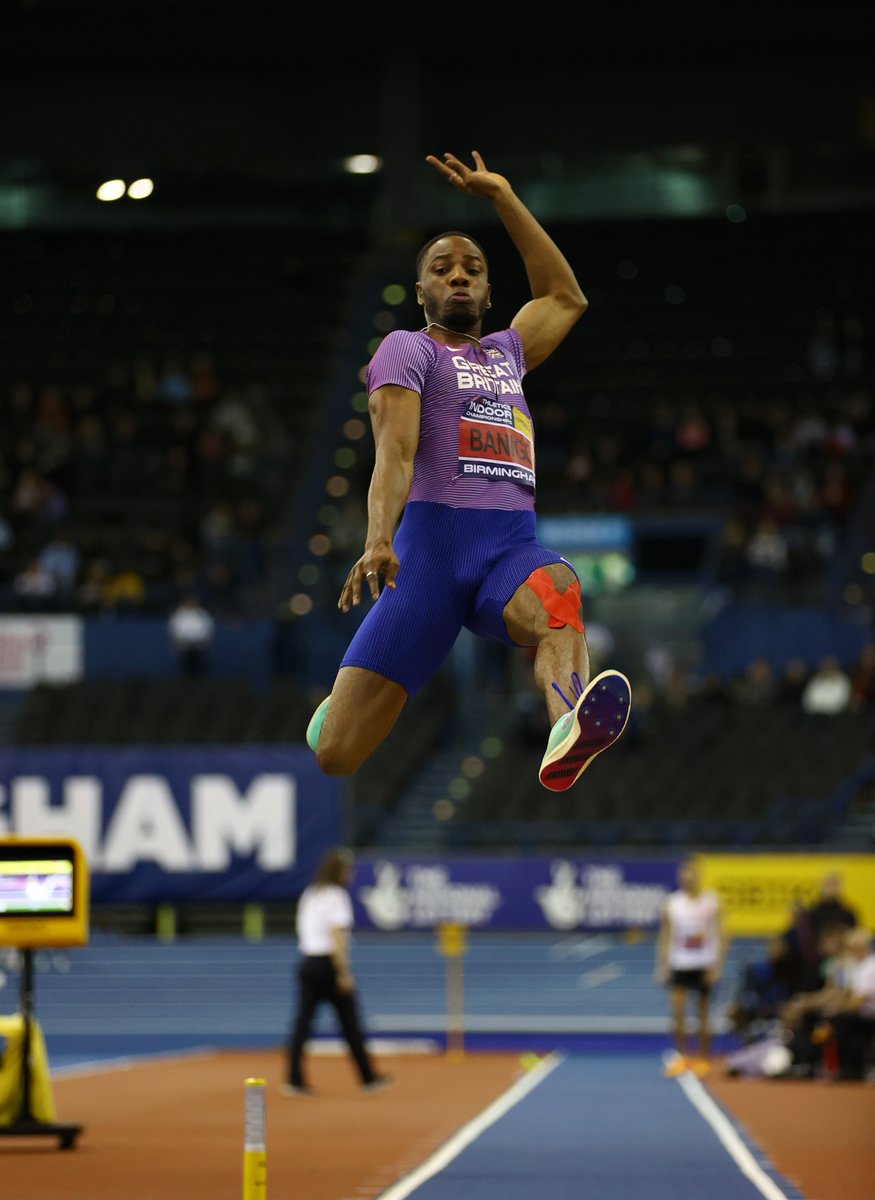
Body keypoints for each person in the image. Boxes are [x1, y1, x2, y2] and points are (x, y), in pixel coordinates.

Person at [307, 150, 631, 792]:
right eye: (442, 269)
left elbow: (566, 298)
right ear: (422, 289)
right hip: (429, 558)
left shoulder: (509, 351)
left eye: (473, 270)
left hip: (509, 550)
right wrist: (377, 539)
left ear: (488, 292)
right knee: (337, 755)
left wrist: (504, 198)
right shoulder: (409, 349)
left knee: (561, 594)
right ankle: (336, 706)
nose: (459, 276)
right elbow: (394, 455)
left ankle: (567, 727)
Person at [283, 847, 390, 1096]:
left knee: (302, 1024)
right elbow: (337, 936)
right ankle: (368, 1077)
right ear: (339, 871)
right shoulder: (336, 896)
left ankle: (294, 1079)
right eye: (348, 869)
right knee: (350, 1024)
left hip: (307, 962)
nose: (351, 874)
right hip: (328, 965)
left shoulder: (311, 894)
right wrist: (344, 972)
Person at [655, 855, 729, 1078]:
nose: (688, 880)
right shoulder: (672, 903)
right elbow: (666, 934)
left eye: (692, 876)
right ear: (680, 878)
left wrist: (717, 964)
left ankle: (704, 1059)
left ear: (698, 877)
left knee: (703, 1015)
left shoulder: (711, 901)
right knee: (678, 1013)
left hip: (704, 964)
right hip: (680, 963)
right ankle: (682, 1058)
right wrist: (662, 964)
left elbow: (722, 934)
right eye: (684, 876)